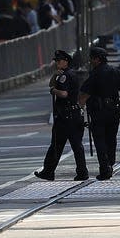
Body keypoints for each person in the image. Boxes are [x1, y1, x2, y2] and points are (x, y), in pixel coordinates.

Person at [34, 50, 89, 181]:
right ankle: (82, 172)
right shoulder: (68, 74)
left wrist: (53, 91)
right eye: (56, 61)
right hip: (74, 114)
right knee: (76, 145)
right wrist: (54, 76)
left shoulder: (66, 76)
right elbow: (51, 83)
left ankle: (48, 171)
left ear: (66, 61)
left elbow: (63, 93)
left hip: (65, 117)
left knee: (56, 145)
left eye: (59, 61)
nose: (57, 63)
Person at [79, 47, 120, 180]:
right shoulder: (116, 71)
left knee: (100, 140)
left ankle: (105, 168)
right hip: (114, 111)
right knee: (111, 139)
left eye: (92, 58)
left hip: (98, 112)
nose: (90, 61)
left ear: (97, 59)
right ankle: (110, 162)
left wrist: (79, 109)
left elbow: (85, 95)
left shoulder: (95, 74)